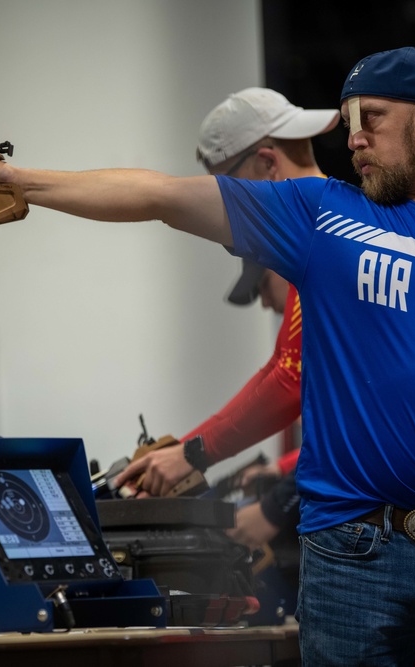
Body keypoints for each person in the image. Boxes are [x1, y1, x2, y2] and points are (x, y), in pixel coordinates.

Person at [0, 47, 415, 666]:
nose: (353, 140)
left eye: (370, 119)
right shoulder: (323, 215)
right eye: (348, 123)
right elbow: (159, 195)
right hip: (356, 560)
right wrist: (21, 181)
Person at [118, 88, 339, 554]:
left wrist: (194, 453)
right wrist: (188, 449)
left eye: (228, 192)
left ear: (267, 163)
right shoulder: (339, 225)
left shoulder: (325, 238)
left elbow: (288, 379)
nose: (225, 213)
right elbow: (283, 368)